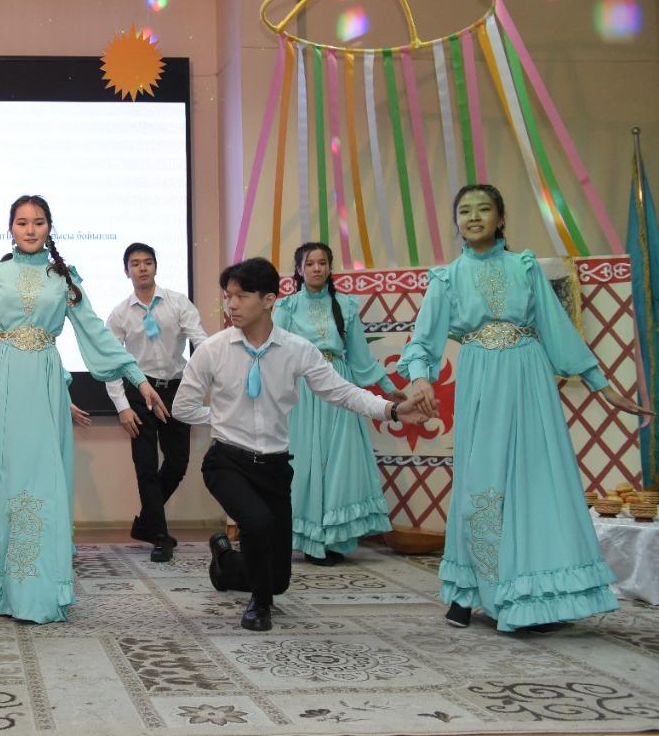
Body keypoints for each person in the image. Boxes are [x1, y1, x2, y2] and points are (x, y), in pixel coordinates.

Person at [398, 184, 650, 632]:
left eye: (484, 209)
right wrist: (420, 378)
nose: (474, 217)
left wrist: (602, 386)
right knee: (480, 489)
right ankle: (467, 591)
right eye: (465, 211)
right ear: (456, 221)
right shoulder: (447, 278)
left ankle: (534, 597)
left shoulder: (525, 267)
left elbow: (558, 332)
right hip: (481, 381)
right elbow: (422, 341)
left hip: (530, 381)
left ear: (500, 218)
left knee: (536, 484)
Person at [0, 194, 169, 624]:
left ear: (50, 227)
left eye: (38, 222)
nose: (30, 229)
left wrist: (137, 377)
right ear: (10, 228)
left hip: (42, 385)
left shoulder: (63, 279)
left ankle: (30, 587)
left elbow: (95, 332)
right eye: (22, 222)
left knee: (37, 483)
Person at [171, 257, 427, 632]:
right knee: (257, 524)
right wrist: (224, 418)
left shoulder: (297, 349)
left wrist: (391, 409)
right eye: (228, 296)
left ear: (269, 299)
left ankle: (225, 564)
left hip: (275, 467)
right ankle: (259, 606)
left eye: (242, 296)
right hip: (226, 462)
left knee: (278, 579)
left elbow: (341, 392)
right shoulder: (213, 350)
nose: (232, 305)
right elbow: (182, 407)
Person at [272, 242, 399, 566]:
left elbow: (361, 357)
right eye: (309, 263)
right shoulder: (286, 307)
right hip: (304, 391)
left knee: (341, 462)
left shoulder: (346, 305)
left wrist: (389, 389)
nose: (316, 268)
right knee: (306, 462)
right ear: (298, 269)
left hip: (340, 387)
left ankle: (335, 541)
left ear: (329, 267)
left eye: (322, 262)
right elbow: (275, 354)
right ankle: (309, 540)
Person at [105, 241, 208, 562]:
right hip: (139, 393)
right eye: (135, 263)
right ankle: (160, 535)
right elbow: (111, 363)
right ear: (126, 271)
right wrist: (122, 406)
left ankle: (146, 522)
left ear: (156, 267)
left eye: (147, 262)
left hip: (177, 390)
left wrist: (212, 374)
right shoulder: (120, 313)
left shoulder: (177, 303)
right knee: (146, 466)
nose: (142, 268)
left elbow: (201, 342)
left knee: (177, 463)